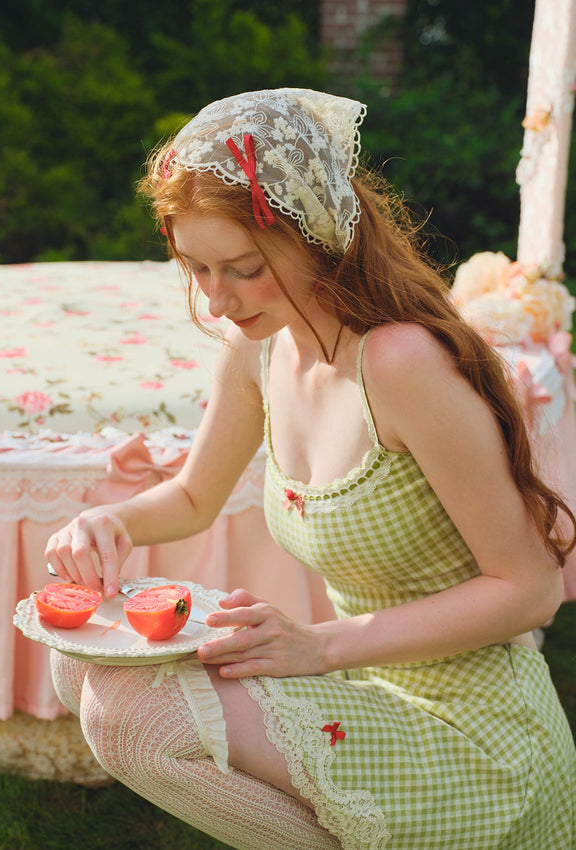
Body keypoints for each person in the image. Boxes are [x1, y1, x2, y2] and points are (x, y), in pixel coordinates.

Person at [45, 88, 576, 849]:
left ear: (318, 235)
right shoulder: (258, 347)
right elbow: (195, 496)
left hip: (476, 727)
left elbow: (530, 590)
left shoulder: (399, 364)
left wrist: (319, 645)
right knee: (83, 668)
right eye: (196, 269)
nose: (219, 299)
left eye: (243, 268)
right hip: (362, 683)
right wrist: (110, 521)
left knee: (134, 717)